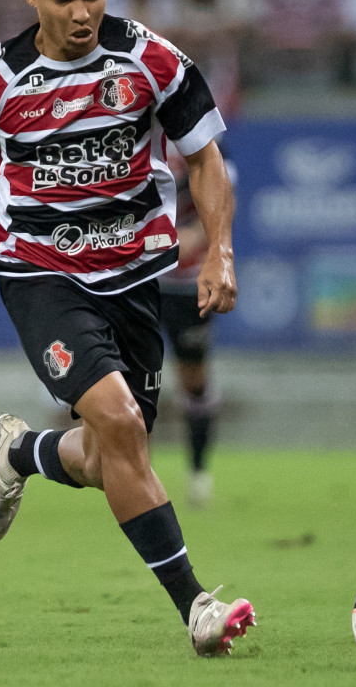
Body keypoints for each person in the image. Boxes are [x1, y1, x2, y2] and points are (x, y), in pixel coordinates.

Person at [0, 0, 255, 656]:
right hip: (39, 272)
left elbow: (205, 159)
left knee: (107, 458)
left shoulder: (153, 61)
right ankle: (196, 607)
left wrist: (219, 249)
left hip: (135, 275)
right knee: (121, 424)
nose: (81, 11)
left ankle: (21, 452)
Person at [158, 141, 233, 508]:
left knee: (194, 381)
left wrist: (200, 234)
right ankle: (134, 474)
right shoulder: (121, 123)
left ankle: (199, 471)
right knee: (125, 378)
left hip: (186, 284)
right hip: (134, 277)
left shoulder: (197, 131)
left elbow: (224, 188)